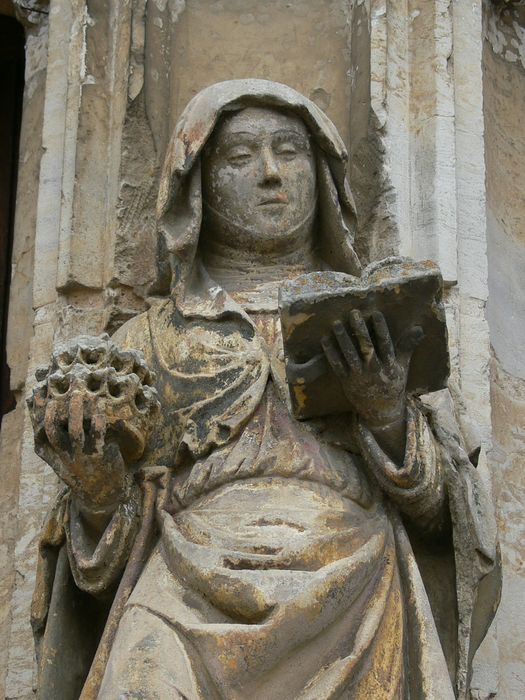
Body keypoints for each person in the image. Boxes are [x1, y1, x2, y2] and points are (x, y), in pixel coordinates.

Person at [29, 80, 500, 700]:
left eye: (290, 150)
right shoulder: (148, 342)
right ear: (197, 184)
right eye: (240, 156)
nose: (271, 174)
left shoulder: (372, 325)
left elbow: (452, 521)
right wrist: (96, 492)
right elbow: (95, 575)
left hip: (352, 581)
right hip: (183, 586)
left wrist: (386, 412)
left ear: (322, 176)